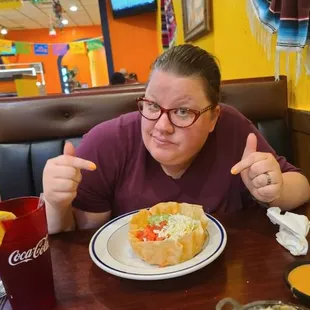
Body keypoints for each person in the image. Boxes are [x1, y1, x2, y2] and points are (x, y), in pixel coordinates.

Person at [43, 44, 310, 234]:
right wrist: (56, 205)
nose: (161, 126)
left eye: (183, 111)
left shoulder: (234, 129)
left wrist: (273, 192)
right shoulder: (106, 143)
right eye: (152, 105)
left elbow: (301, 185)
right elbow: (82, 234)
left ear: (214, 117)